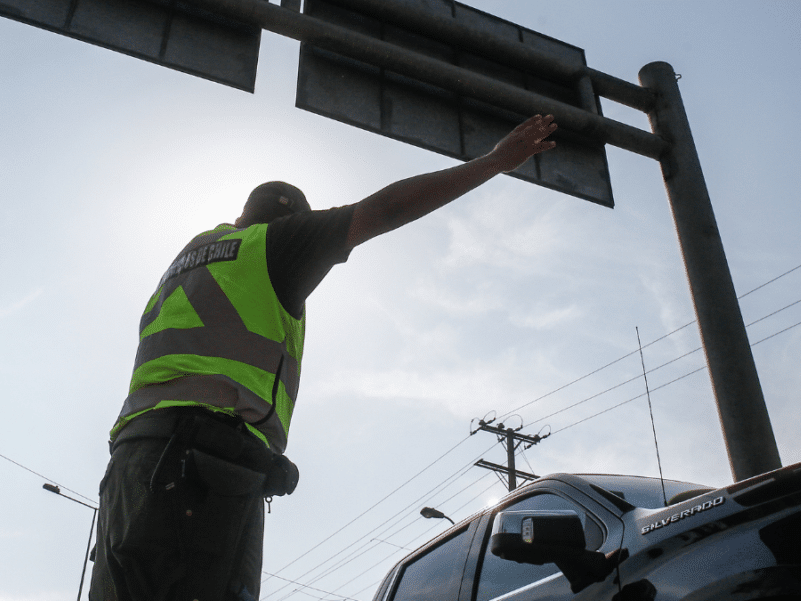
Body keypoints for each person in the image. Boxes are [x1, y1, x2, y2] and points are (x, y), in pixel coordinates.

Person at [89, 115, 558, 601]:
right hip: (198, 473)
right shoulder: (276, 246)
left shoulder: (184, 264)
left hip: (128, 471)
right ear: (291, 220)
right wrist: (495, 161)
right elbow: (385, 209)